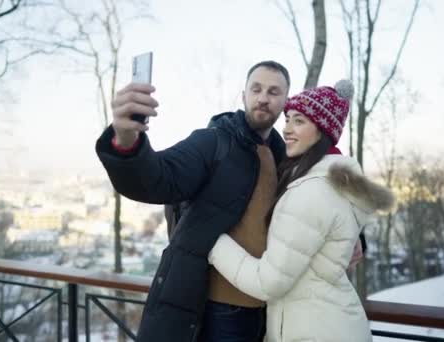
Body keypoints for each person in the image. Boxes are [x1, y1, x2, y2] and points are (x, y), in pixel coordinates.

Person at [96, 60, 290, 341]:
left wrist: (356, 236)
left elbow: (313, 202)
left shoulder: (285, 157)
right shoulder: (212, 142)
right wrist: (126, 141)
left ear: (285, 101)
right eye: (256, 89)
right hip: (219, 308)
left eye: (274, 92)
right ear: (244, 95)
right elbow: (160, 178)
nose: (263, 98)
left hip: (268, 309)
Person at [208, 80, 396, 342]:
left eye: (299, 121)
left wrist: (213, 242)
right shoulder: (332, 183)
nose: (286, 129)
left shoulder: (311, 191)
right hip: (331, 324)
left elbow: (268, 282)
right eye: (287, 119)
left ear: (322, 130)